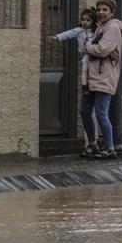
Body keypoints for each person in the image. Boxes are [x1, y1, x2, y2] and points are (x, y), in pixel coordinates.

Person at [83, 0, 122, 158]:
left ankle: (109, 148)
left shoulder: (113, 28)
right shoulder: (100, 27)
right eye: (99, 9)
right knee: (84, 111)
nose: (101, 12)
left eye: (105, 10)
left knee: (101, 113)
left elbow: (102, 50)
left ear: (112, 12)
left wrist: (87, 45)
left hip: (105, 77)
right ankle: (92, 144)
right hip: (92, 77)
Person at [52, 9, 100, 155]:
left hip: (93, 56)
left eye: (88, 20)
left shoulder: (96, 32)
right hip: (84, 55)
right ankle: (85, 86)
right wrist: (57, 37)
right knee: (84, 69)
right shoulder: (78, 30)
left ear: (92, 22)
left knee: (88, 68)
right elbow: (68, 34)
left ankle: (87, 85)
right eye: (83, 19)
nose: (84, 22)